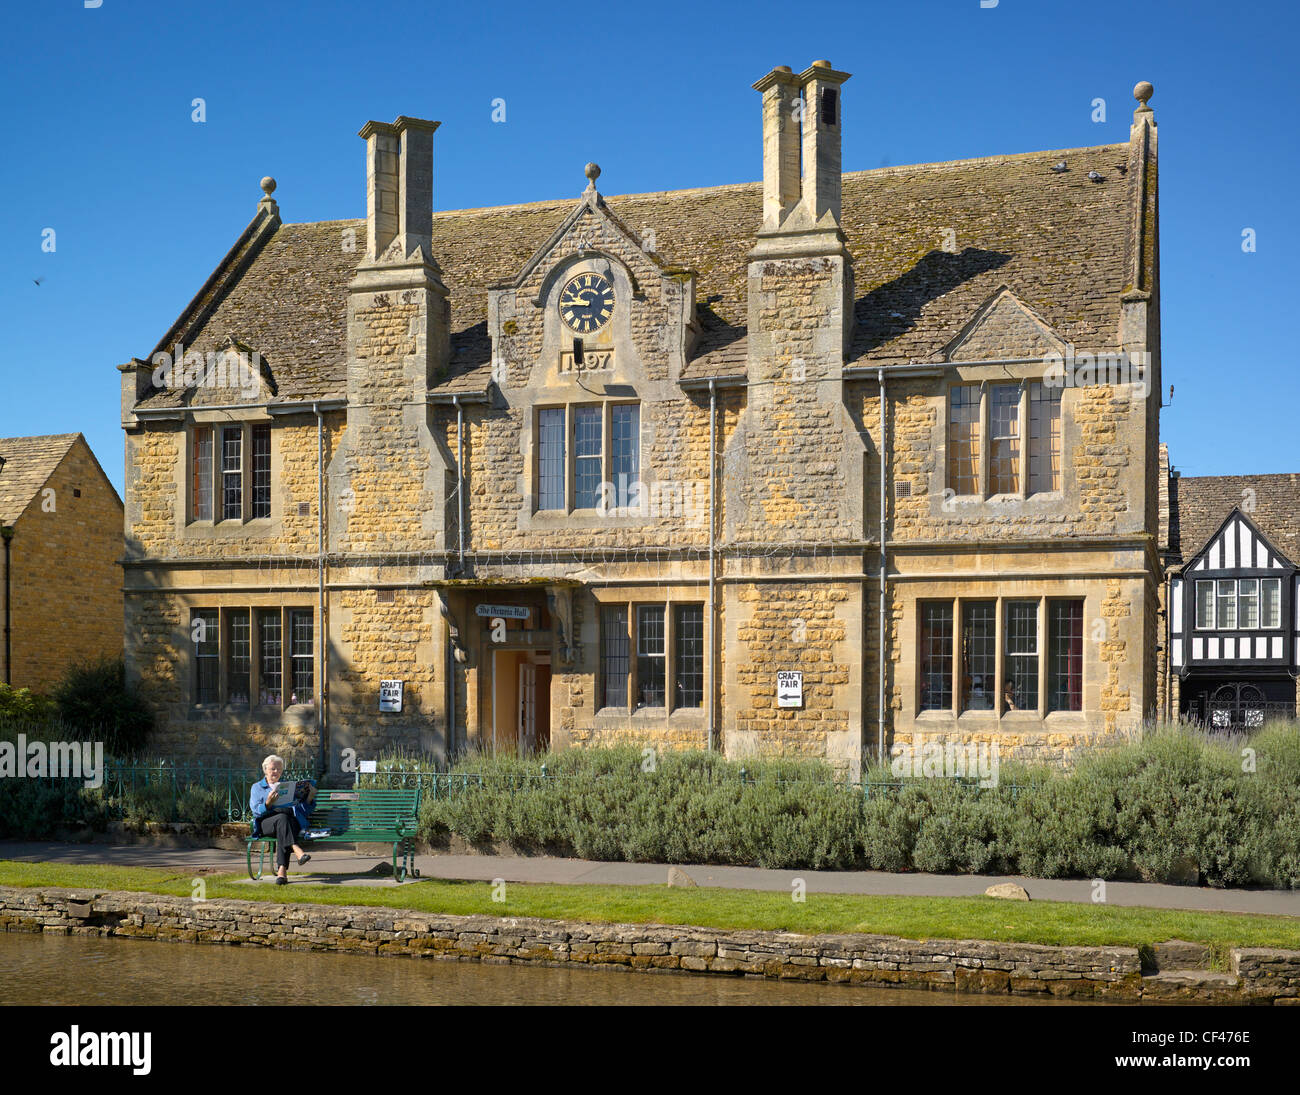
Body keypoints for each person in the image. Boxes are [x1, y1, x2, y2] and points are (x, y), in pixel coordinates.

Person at [250, 755, 317, 885]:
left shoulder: (287, 786)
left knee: (284, 821)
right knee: (283, 819)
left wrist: (310, 797)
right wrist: (268, 803)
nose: (276, 772)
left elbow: (302, 811)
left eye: (279, 769)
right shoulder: (257, 787)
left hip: (286, 823)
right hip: (266, 824)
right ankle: (296, 849)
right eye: (273, 769)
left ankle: (282, 872)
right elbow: (256, 811)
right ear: (265, 769)